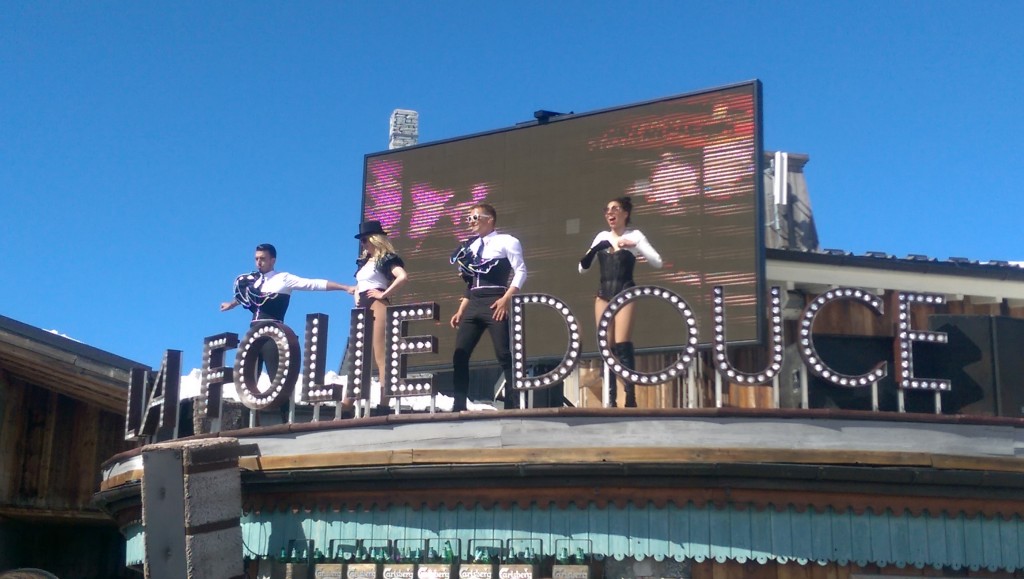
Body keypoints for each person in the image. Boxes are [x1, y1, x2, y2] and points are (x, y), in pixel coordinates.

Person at [578, 196, 663, 407]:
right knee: (606, 346)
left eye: (615, 209)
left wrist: (635, 245)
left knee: (622, 343)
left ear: (625, 213)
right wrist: (596, 249)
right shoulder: (602, 236)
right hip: (603, 294)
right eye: (607, 210)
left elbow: (657, 262)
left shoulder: (635, 235)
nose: (610, 213)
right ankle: (611, 398)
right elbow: (582, 268)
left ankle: (630, 395)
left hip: (625, 292)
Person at [221, 243, 353, 376]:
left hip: (273, 332)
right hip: (253, 332)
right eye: (256, 259)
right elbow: (247, 298)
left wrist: (344, 287)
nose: (258, 262)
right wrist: (232, 304)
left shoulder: (283, 278)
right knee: (247, 378)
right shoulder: (254, 281)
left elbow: (312, 284)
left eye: (262, 259)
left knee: (277, 378)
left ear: (273, 261)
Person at [449, 203, 527, 411]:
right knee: (460, 353)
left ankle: (513, 401)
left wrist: (506, 298)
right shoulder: (471, 246)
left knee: (503, 352)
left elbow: (520, 271)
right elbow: (471, 281)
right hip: (474, 300)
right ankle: (458, 404)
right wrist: (461, 309)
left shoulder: (507, 241)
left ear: (490, 219)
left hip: (495, 299)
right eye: (469, 219)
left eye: (475, 218)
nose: (471, 223)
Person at [353, 220, 409, 386]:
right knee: (358, 357)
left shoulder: (385, 259)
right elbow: (359, 284)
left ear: (374, 239)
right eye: (361, 241)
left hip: (377, 305)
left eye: (364, 240)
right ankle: (349, 403)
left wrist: (383, 294)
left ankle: (384, 402)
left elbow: (403, 276)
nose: (363, 244)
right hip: (361, 307)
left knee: (381, 355)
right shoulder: (364, 262)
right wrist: (356, 295)